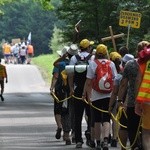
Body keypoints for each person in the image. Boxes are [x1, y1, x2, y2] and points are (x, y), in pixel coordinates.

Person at [83, 44, 117, 150]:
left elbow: (88, 82)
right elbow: (115, 80)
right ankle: (106, 140)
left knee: (96, 119)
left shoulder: (92, 64)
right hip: (109, 95)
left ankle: (98, 142)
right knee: (106, 118)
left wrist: (86, 95)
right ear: (106, 52)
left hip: (96, 96)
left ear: (96, 53)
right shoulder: (111, 64)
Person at [68, 39, 94, 148]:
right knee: (91, 115)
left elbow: (70, 74)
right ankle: (90, 136)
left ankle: (78, 139)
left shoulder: (74, 58)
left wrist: (71, 88)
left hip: (78, 89)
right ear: (88, 48)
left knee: (78, 116)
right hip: (90, 91)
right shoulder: (92, 58)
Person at [53, 44, 78, 145]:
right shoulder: (78, 63)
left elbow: (54, 64)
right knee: (75, 112)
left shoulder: (63, 64)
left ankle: (66, 135)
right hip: (77, 91)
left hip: (65, 92)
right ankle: (75, 134)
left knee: (65, 112)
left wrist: (62, 58)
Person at [109, 53, 134, 150]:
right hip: (137, 103)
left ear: (123, 64)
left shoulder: (119, 77)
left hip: (122, 104)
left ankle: (122, 146)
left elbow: (114, 93)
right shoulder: (139, 74)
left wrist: (110, 106)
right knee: (135, 126)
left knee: (123, 126)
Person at [118, 48, 142, 150]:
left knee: (132, 127)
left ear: (137, 51)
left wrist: (120, 100)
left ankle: (135, 146)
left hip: (133, 102)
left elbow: (123, 84)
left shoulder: (130, 64)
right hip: (147, 100)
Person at [134, 41, 150, 150]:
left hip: (146, 101)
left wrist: (137, 102)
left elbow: (138, 80)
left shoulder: (145, 61)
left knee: (146, 133)